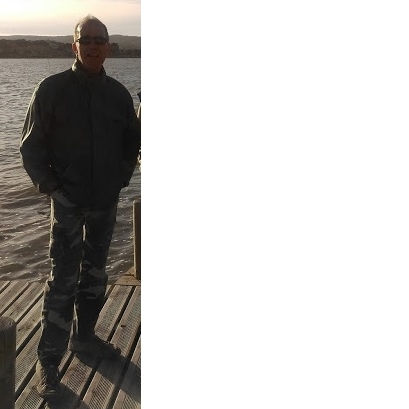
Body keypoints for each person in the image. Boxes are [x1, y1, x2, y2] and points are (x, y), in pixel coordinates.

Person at [20, 15, 141, 399]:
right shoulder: (51, 90)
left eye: (99, 40)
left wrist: (120, 178)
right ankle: (48, 362)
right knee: (63, 278)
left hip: (105, 201)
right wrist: (53, 188)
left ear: (108, 47)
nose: (92, 45)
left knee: (95, 274)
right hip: (68, 203)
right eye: (85, 39)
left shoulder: (119, 95)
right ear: (74, 46)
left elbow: (132, 145)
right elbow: (30, 148)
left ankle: (85, 337)